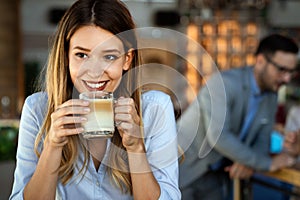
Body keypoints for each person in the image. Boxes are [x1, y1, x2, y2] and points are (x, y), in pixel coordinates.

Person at [9, 0, 181, 199]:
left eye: (109, 57)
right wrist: (53, 147)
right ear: (66, 57)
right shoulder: (38, 108)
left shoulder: (155, 108)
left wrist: (135, 147)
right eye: (81, 55)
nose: (94, 71)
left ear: (127, 59)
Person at [177, 33, 299, 200]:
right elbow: (219, 137)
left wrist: (249, 162)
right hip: (182, 170)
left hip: (217, 174)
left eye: (291, 72)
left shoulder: (271, 94)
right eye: (281, 69)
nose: (286, 78)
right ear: (260, 61)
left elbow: (262, 139)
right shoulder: (224, 84)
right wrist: (267, 163)